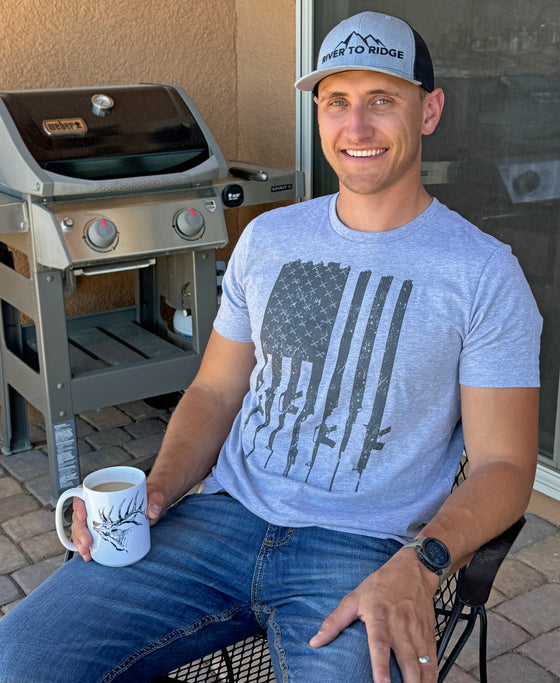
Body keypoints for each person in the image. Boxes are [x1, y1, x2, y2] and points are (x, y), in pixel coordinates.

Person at [0, 11, 541, 683]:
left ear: (429, 111)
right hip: (218, 520)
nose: (357, 126)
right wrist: (159, 489)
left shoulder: (484, 272)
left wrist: (423, 562)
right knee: (20, 657)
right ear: (318, 112)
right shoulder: (269, 239)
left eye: (382, 101)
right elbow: (216, 389)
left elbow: (507, 465)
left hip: (361, 551)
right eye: (337, 102)